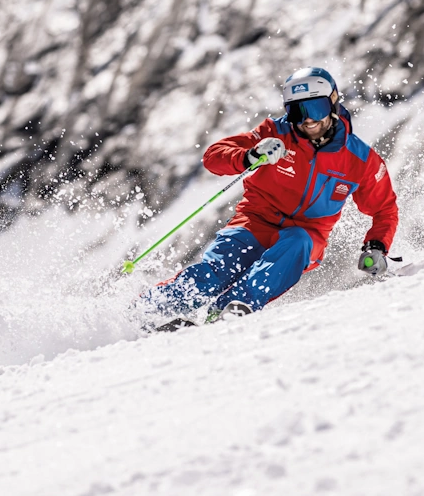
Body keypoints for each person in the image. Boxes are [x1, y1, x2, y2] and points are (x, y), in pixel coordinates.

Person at [136, 67, 399, 330]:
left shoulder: (360, 159)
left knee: (296, 242)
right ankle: (144, 312)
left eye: (315, 109)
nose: (307, 120)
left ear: (332, 102)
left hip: (307, 234)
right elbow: (214, 156)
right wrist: (248, 155)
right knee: (217, 272)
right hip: (254, 221)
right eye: (297, 111)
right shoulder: (275, 133)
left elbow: (384, 208)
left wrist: (376, 246)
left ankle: (229, 310)